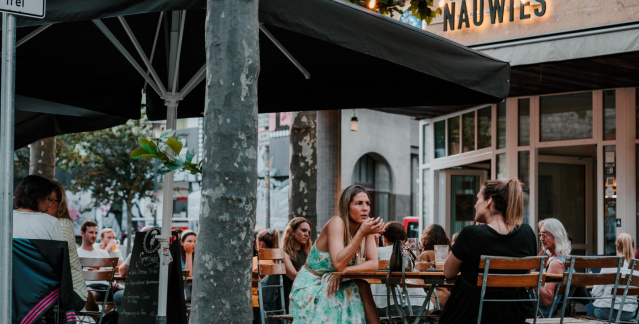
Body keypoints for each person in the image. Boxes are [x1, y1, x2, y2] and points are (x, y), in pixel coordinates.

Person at [440, 179, 537, 324]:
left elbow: (448, 272)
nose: (474, 204)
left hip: (471, 314)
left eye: (478, 198)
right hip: (514, 315)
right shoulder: (527, 233)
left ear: (488, 201)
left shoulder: (470, 234)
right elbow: (525, 275)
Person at [289, 185, 385, 324]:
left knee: (362, 285)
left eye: (367, 203)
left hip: (334, 279)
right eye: (359, 203)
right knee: (341, 292)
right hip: (310, 285)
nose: (365, 208)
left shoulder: (365, 226)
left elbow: (373, 263)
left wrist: (343, 273)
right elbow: (339, 264)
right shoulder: (337, 223)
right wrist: (361, 234)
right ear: (347, 206)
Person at [47, 181, 88, 312]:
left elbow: (54, 261)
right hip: (60, 290)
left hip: (73, 292)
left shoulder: (62, 224)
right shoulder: (49, 223)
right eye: (45, 199)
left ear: (60, 204)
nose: (47, 204)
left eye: (51, 200)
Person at [373, 221, 427, 316]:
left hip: (384, 305)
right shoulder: (409, 254)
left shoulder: (377, 252)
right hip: (419, 306)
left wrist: (374, 247)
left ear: (384, 238)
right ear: (404, 240)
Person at [77, 220, 123, 313]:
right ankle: (99, 321)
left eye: (96, 233)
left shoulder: (103, 252)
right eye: (91, 232)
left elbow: (111, 274)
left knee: (130, 294)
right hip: (90, 288)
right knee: (87, 294)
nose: (94, 235)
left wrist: (114, 282)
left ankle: (110, 320)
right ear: (82, 233)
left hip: (108, 288)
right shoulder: (76, 254)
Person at [591, 233, 638, 321]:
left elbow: (595, 292)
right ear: (634, 247)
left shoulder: (609, 265)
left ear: (617, 249)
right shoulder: (637, 268)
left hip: (605, 311)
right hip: (628, 313)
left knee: (594, 310)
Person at [537, 218, 571, 318]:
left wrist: (532, 282)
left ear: (557, 236)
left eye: (545, 235)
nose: (541, 239)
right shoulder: (563, 259)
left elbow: (547, 300)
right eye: (540, 235)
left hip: (538, 311)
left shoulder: (556, 263)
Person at [13, 175, 62, 241]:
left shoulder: (5, 219)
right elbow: (59, 251)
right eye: (48, 199)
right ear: (39, 198)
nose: (50, 204)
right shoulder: (52, 223)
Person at [281, 217, 312, 311]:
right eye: (303, 230)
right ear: (292, 231)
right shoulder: (283, 253)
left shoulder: (308, 253)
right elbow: (295, 276)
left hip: (308, 293)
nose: (307, 234)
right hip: (292, 297)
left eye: (308, 232)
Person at [418, 223, 452, 308]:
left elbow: (420, 279)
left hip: (433, 296)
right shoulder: (449, 254)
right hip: (450, 295)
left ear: (426, 238)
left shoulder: (426, 254)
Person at [252, 229, 280, 324]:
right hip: (271, 305)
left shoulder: (252, 262)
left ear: (261, 244)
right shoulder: (277, 264)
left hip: (253, 304)